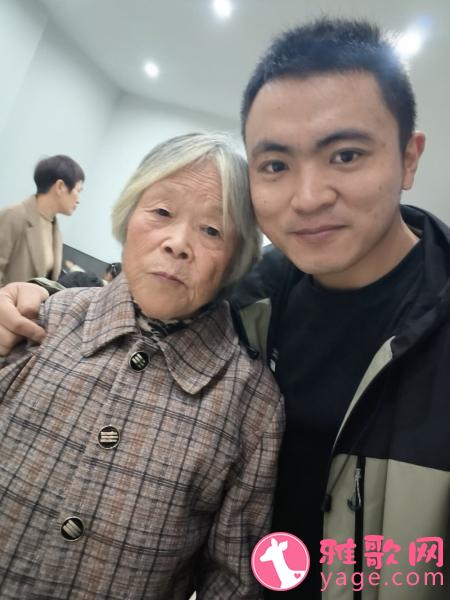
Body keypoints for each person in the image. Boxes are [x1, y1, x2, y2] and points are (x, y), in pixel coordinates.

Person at [0, 17, 448, 598]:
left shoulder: (249, 389)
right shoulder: (254, 298)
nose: (308, 197)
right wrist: (40, 295)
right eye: (276, 165)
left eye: (345, 155)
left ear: (409, 158)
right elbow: (151, 305)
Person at [0, 133, 283, 599]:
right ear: (130, 213)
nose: (178, 244)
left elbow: (233, 582)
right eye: (162, 212)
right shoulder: (40, 321)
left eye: (212, 231)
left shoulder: (253, 404)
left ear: (237, 257)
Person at [0, 154, 85, 286]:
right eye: (78, 190)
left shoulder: (55, 230)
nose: (78, 200)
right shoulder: (14, 216)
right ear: (60, 187)